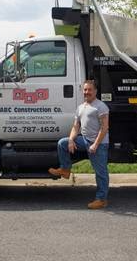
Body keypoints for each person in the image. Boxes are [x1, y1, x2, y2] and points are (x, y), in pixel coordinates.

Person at [49, 80, 110, 209]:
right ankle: (65, 169)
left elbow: (104, 128)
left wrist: (95, 145)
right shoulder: (81, 107)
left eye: (89, 90)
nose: (87, 92)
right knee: (62, 143)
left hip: (98, 143)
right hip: (84, 140)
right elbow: (76, 127)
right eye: (85, 90)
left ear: (95, 91)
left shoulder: (101, 106)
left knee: (101, 173)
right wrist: (71, 139)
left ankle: (101, 199)